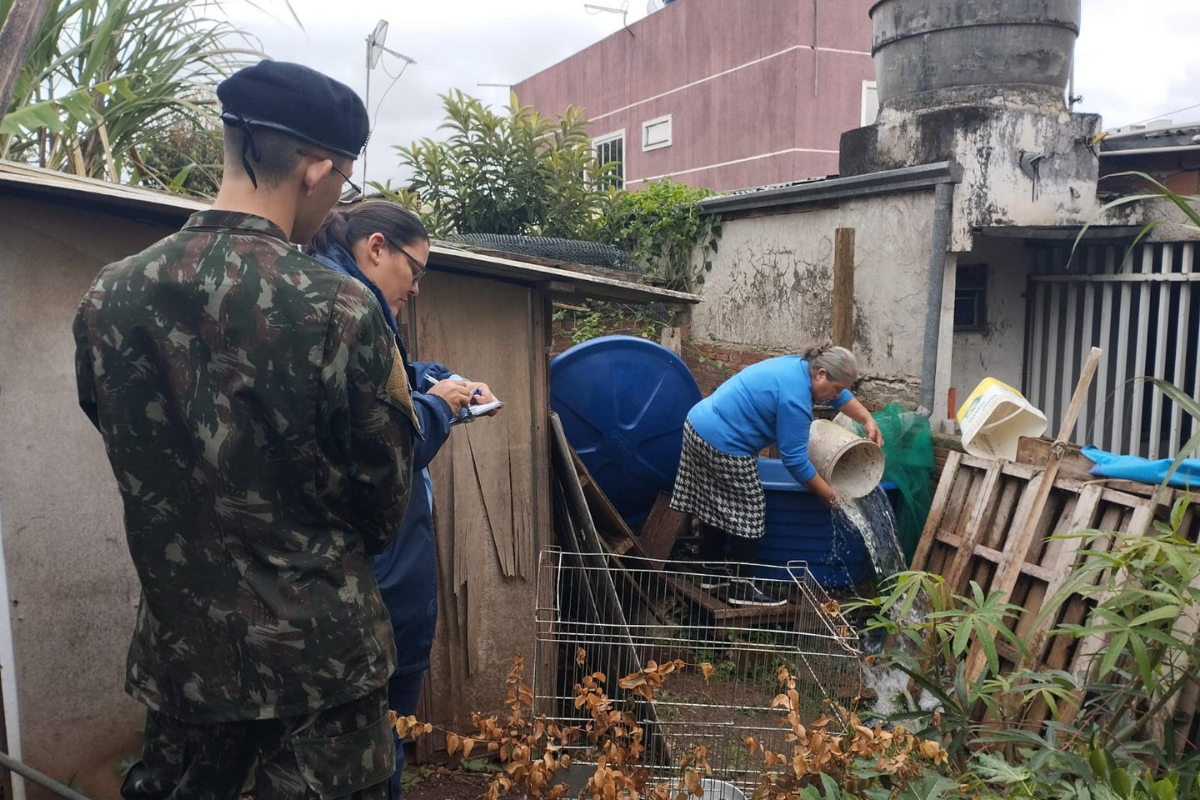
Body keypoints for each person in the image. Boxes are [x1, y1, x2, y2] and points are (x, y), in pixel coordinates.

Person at [72, 61, 418, 799]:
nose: (335, 201)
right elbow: (384, 506)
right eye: (343, 181)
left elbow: (122, 437)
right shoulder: (341, 311)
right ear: (316, 166)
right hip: (320, 687)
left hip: (184, 671)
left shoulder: (112, 295)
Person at [307, 202, 499, 796]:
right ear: (376, 248)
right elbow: (387, 445)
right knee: (374, 747)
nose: (415, 288)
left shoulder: (351, 305)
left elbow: (380, 387)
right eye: (414, 270)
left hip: (384, 583)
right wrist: (439, 406)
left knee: (382, 739)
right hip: (375, 591)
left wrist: (441, 384)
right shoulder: (339, 306)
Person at [670, 345, 883, 607]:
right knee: (750, 510)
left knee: (716, 502)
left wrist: (867, 419)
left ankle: (712, 574)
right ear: (821, 374)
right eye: (836, 388)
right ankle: (742, 587)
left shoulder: (799, 367)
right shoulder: (795, 398)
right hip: (723, 442)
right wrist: (827, 494)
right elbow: (794, 460)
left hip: (699, 424)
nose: (837, 396)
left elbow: (838, 395)